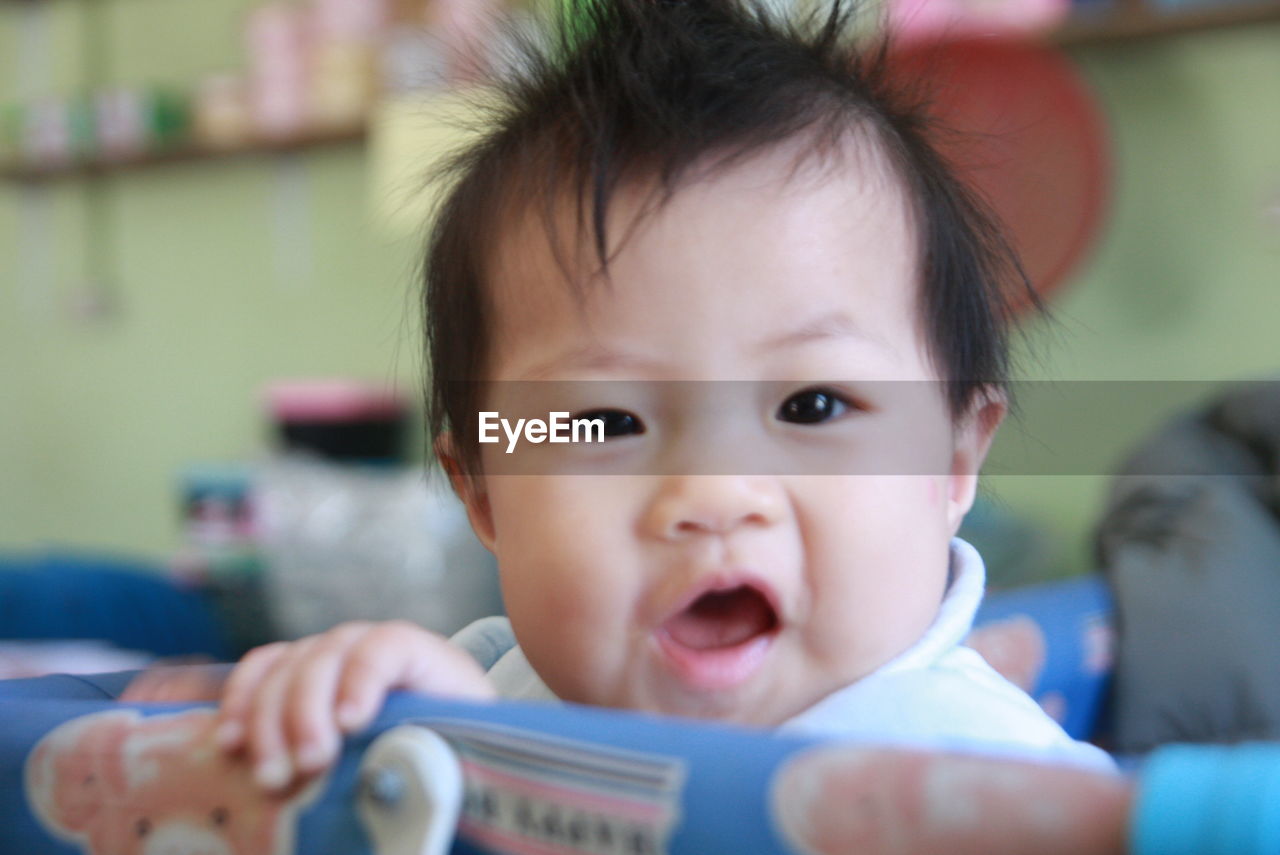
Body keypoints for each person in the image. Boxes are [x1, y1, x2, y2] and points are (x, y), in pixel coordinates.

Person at [124, 0, 1113, 790]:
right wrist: (392, 734)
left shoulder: (1004, 786)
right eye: (604, 421)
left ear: (949, 460)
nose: (715, 494)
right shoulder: (477, 709)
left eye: (810, 407)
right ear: (480, 492)